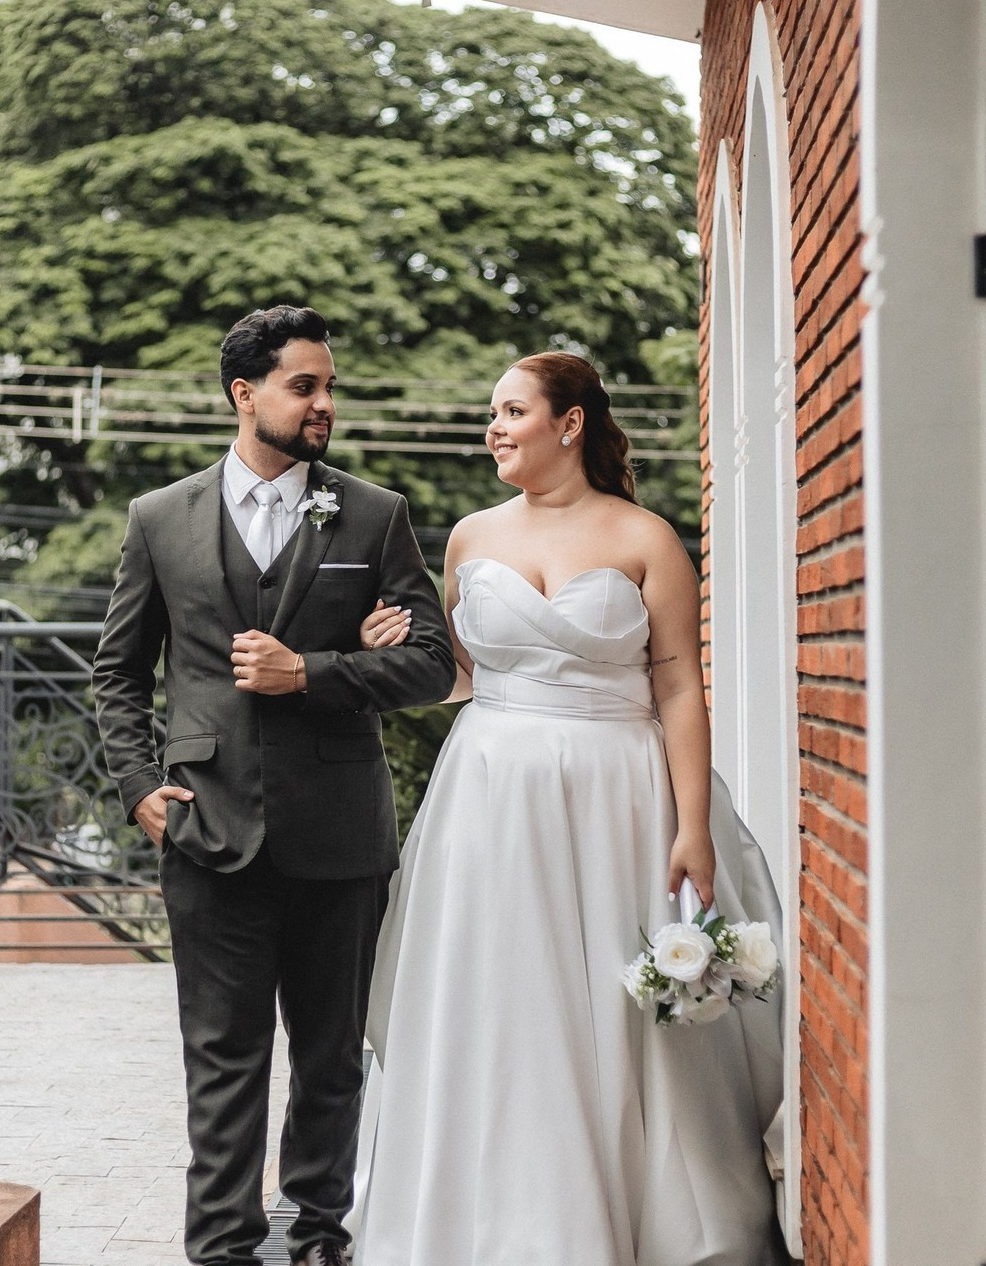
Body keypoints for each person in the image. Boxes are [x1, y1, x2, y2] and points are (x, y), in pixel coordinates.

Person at [349, 352, 785, 1265]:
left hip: (619, 793)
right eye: (492, 413)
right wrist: (388, 647)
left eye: (511, 411)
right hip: (492, 796)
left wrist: (693, 824)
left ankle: (641, 1213)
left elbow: (677, 688)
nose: (494, 428)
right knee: (502, 992)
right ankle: (496, 1216)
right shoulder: (470, 537)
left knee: (610, 1001)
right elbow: (461, 679)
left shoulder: (645, 539)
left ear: (570, 424)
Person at [92, 304, 454, 1266]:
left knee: (331, 1059)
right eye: (306, 385)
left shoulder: (374, 515)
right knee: (221, 1059)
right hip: (205, 831)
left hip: (339, 832)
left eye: (329, 385)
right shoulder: (159, 519)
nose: (324, 402)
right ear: (246, 393)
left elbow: (429, 665)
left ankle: (319, 1236)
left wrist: (318, 672)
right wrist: (137, 787)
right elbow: (119, 671)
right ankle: (219, 1246)